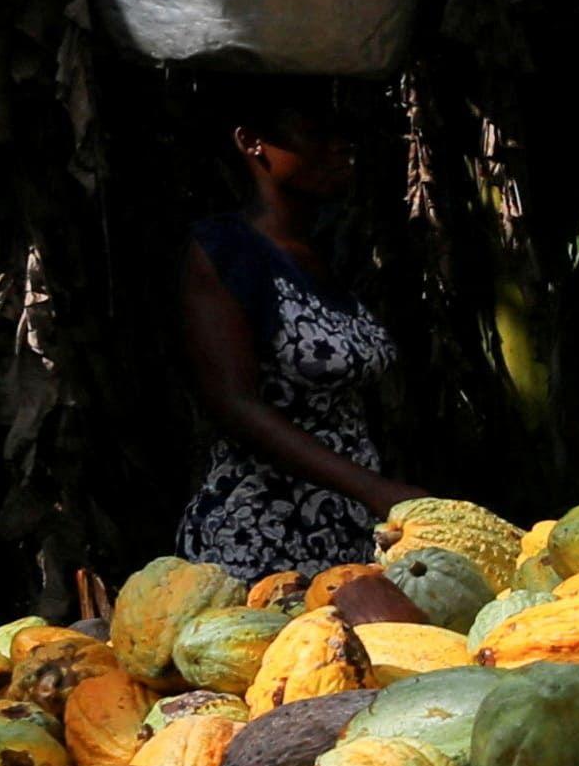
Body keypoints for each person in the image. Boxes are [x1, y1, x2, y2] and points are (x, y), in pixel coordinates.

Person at [176, 97, 411, 575]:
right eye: (316, 133)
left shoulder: (326, 253)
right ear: (251, 143)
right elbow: (234, 404)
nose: (340, 147)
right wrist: (374, 489)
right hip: (260, 536)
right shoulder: (226, 250)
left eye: (343, 135)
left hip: (349, 531)